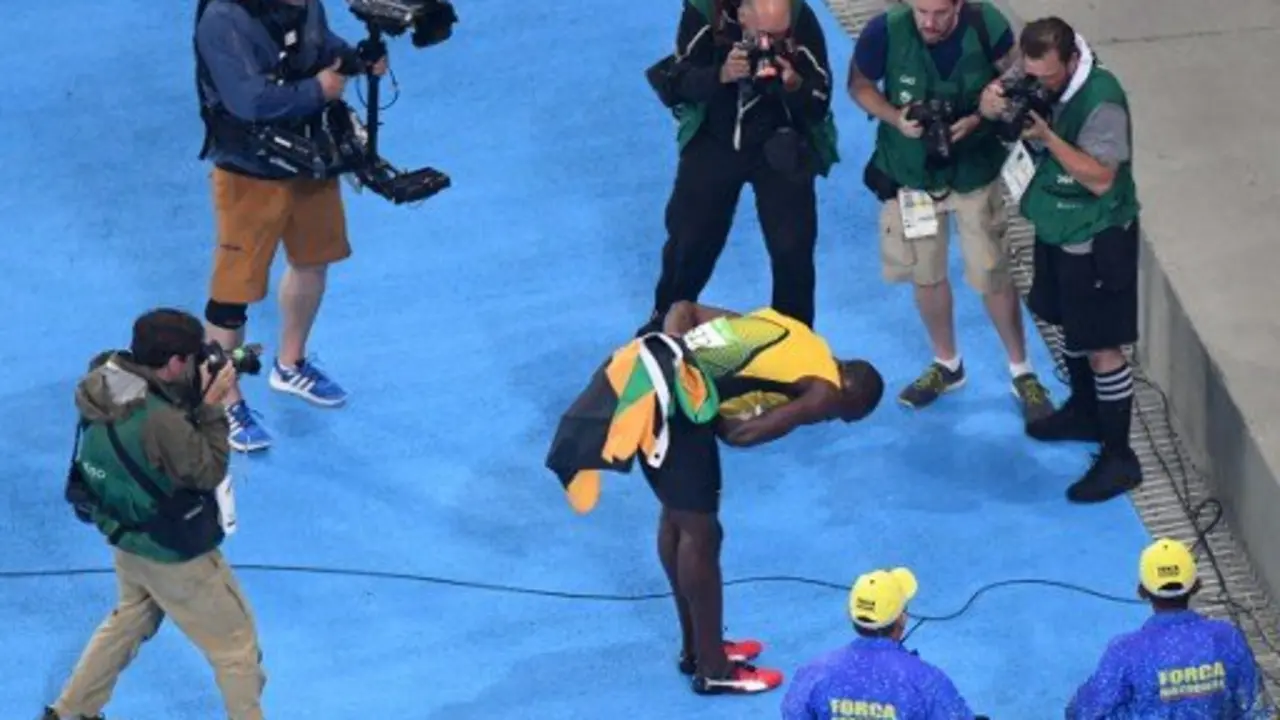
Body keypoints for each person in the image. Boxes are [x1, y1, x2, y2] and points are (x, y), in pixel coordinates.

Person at [547, 301, 885, 695]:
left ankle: (697, 649)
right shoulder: (825, 392)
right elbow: (739, 435)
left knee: (679, 517)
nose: (828, 418)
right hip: (673, 407)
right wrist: (711, 405)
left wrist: (681, 359)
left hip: (645, 368)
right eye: (840, 416)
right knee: (702, 534)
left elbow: (684, 309)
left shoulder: (794, 331)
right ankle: (714, 669)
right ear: (849, 396)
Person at [42, 309, 267, 720]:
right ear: (176, 362)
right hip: (172, 553)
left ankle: (70, 712)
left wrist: (201, 388)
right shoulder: (162, 423)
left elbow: (156, 410)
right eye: (192, 357)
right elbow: (206, 469)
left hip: (125, 533)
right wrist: (213, 405)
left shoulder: (105, 377)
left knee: (130, 620)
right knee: (237, 649)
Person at [195, 0, 387, 452]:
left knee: (314, 259)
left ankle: (291, 363)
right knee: (233, 293)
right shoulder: (223, 18)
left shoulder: (303, 3)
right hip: (248, 170)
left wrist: (354, 60)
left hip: (309, 154)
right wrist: (318, 90)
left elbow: (319, 46)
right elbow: (248, 100)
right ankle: (224, 400)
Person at [850, 0, 1053, 417]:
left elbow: (1019, 75)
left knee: (992, 271)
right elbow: (859, 85)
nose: (929, 22)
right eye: (921, 11)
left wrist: (980, 115)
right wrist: (895, 117)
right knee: (925, 273)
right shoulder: (883, 31)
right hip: (911, 175)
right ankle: (947, 363)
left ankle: (1023, 371)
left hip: (974, 173)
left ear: (959, 4)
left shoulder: (987, 23)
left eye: (940, 12)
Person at [980, 17, 1141, 502]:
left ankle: (1119, 457)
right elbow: (999, 93)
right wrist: (992, 101)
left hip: (1096, 236)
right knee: (1070, 326)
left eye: (1047, 78)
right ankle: (1084, 412)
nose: (1038, 85)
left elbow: (1102, 180)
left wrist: (1048, 137)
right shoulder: (1033, 69)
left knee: (1101, 345)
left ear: (1071, 61)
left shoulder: (1103, 101)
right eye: (1032, 75)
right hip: (1055, 223)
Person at [640, 0, 839, 335]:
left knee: (793, 248)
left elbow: (820, 101)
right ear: (741, 15)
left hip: (780, 143)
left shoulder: (801, 17)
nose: (770, 44)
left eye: (780, 36)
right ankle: (664, 325)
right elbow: (678, 83)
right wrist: (721, 74)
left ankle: (796, 340)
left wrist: (794, 85)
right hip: (716, 139)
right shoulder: (704, 12)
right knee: (690, 238)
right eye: (764, 34)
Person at [1065, 538, 1270, 718]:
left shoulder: (1125, 651)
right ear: (1196, 585)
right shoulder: (1227, 638)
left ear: (1142, 591)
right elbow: (1254, 705)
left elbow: (1084, 711)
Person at [781, 566, 986, 719]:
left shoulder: (815, 672)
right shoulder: (925, 681)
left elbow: (793, 713)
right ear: (902, 619)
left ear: (852, 617)